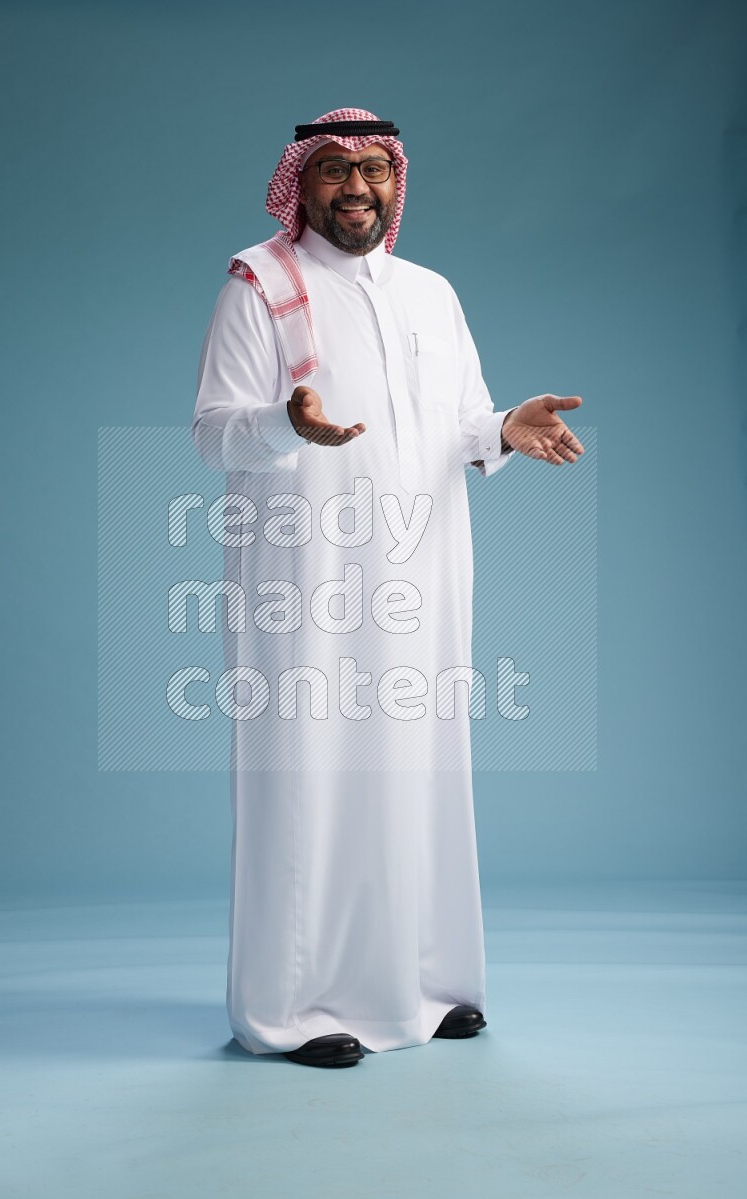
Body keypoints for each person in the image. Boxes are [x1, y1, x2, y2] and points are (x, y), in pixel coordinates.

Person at [191, 108, 584, 1068]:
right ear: (302, 182)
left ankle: (429, 983)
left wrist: (501, 428)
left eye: (374, 169)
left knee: (422, 772)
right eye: (333, 169)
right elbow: (213, 430)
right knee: (310, 780)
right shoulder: (261, 284)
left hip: (423, 574)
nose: (356, 187)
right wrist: (289, 425)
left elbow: (449, 425)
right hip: (307, 581)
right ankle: (288, 1008)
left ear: (398, 183)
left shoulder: (430, 293)